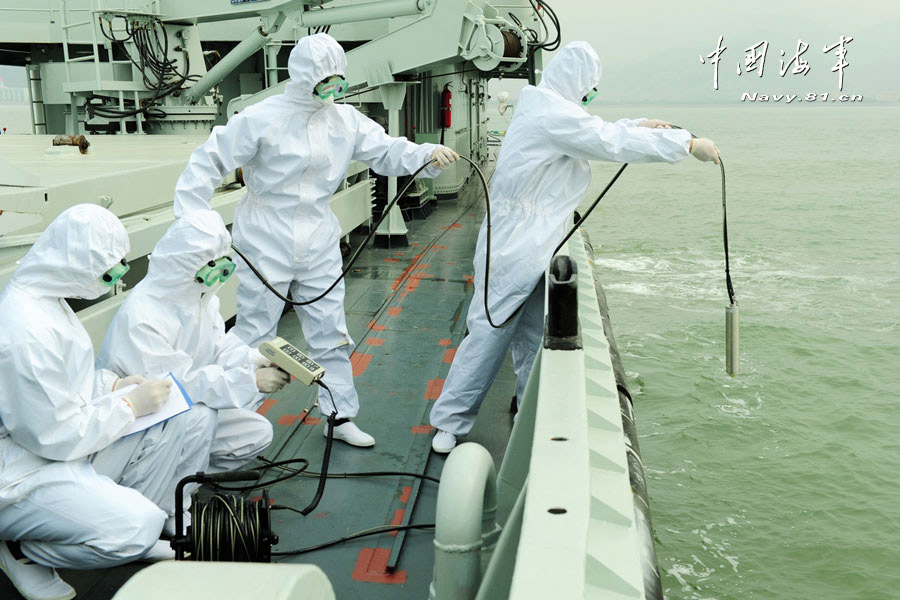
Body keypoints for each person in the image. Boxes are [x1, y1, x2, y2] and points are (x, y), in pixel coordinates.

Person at [428, 41, 721, 453]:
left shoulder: (548, 109)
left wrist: (642, 123)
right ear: (577, 81)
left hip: (538, 243)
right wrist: (685, 146)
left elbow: (593, 129)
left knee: (532, 337)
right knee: (488, 335)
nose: (589, 95)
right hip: (514, 247)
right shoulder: (551, 116)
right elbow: (604, 140)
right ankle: (449, 422)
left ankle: (527, 414)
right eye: (589, 87)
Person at [173, 33, 459, 448]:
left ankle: (339, 415)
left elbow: (386, 150)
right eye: (325, 80)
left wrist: (425, 154)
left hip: (319, 234)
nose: (333, 89)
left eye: (338, 80)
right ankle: (236, 418)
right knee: (256, 327)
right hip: (265, 233)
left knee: (330, 328)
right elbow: (208, 161)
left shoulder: (345, 120)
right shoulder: (262, 117)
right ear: (304, 76)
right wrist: (195, 221)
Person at [0, 205, 200, 600]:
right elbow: (52, 434)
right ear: (72, 264)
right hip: (24, 470)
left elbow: (64, 386)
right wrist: (128, 406)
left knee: (174, 420)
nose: (113, 281)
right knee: (137, 527)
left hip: (58, 446)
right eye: (108, 273)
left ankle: (101, 518)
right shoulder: (24, 329)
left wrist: (112, 386)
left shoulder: (48, 298)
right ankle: (22, 548)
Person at [97, 210, 289, 475]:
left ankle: (183, 475)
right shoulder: (144, 315)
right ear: (184, 266)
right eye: (212, 267)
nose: (219, 277)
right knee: (203, 418)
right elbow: (177, 384)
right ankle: (170, 502)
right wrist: (249, 381)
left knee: (255, 433)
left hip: (187, 401)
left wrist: (255, 359)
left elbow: (218, 347)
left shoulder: (199, 297)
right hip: (144, 416)